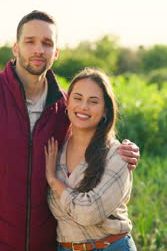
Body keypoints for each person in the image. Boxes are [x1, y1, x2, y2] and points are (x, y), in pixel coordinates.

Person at [0, 10, 140, 251]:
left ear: (55, 53)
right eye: (30, 41)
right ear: (15, 48)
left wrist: (126, 149)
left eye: (47, 43)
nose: (38, 50)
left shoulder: (66, 108)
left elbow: (95, 139)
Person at [44, 68, 137, 251]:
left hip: (110, 247)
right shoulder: (56, 149)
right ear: (67, 103)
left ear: (105, 111)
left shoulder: (117, 155)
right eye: (77, 98)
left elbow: (88, 214)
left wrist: (54, 181)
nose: (83, 107)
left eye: (93, 101)